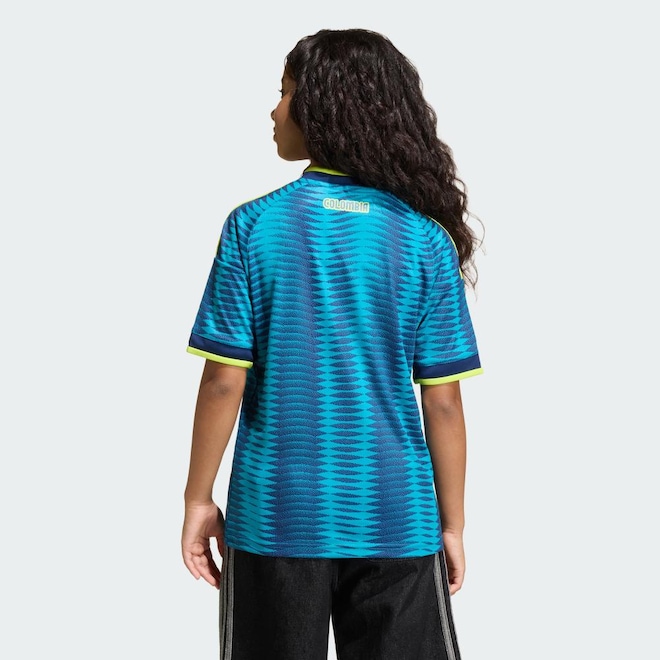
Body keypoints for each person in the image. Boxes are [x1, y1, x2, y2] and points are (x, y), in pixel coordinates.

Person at [181, 28, 483, 660]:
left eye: (284, 92)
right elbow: (444, 402)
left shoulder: (253, 227)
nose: (274, 109)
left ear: (319, 105)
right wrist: (452, 524)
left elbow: (224, 380)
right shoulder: (425, 240)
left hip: (276, 517)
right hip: (398, 518)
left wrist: (197, 499)